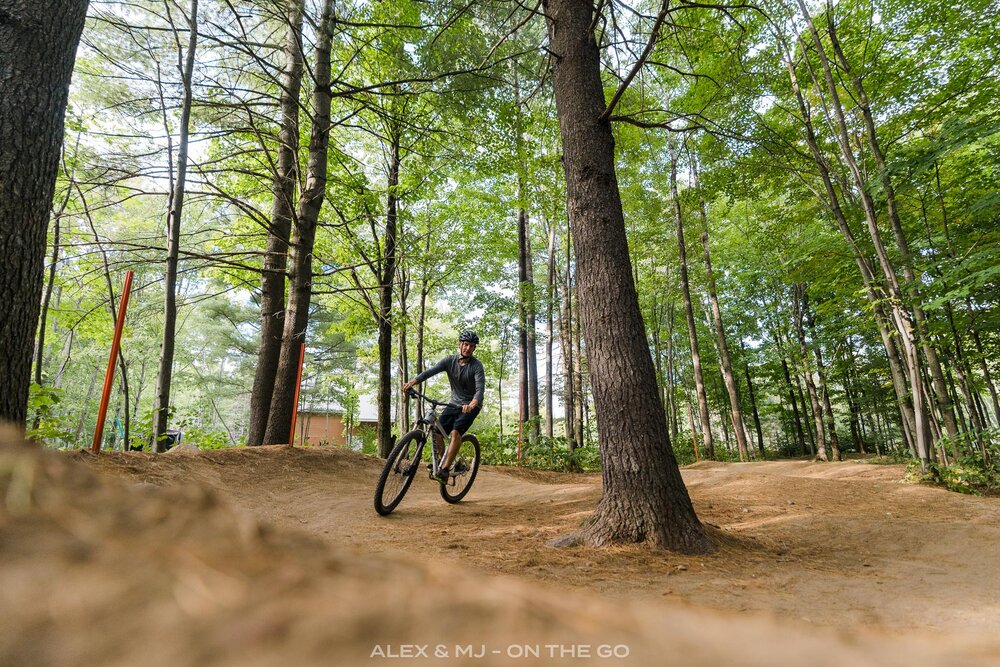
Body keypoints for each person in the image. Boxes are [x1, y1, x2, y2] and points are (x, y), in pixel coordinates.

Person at [402, 331, 485, 484]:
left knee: (455, 433)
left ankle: (445, 470)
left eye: (471, 346)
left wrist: (473, 403)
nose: (468, 348)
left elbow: (480, 389)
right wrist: (412, 382)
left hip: (470, 406)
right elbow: (430, 372)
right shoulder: (449, 361)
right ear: (460, 344)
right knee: (437, 432)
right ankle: (441, 461)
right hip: (453, 404)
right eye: (466, 344)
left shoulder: (476, 366)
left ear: (474, 349)